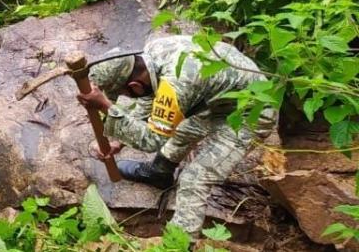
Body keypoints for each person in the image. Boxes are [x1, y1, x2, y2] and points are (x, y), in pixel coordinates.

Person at [77, 35, 276, 238]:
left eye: (126, 95)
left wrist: (106, 107)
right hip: (220, 99)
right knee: (181, 129)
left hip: (251, 113)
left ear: (134, 86)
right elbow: (152, 103)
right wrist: (117, 140)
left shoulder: (176, 85)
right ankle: (159, 172)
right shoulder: (151, 54)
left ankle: (179, 242)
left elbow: (152, 140)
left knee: (194, 180)